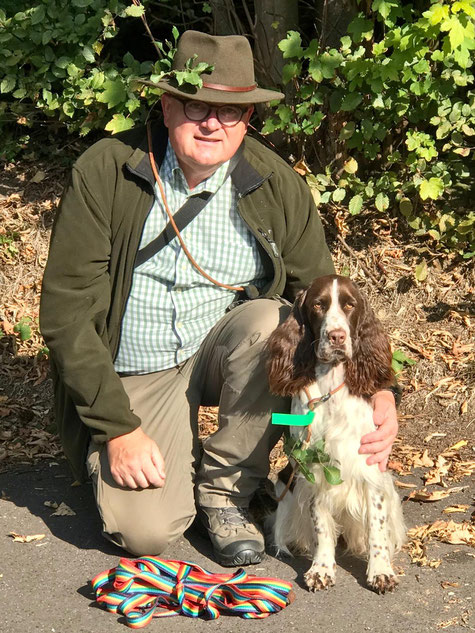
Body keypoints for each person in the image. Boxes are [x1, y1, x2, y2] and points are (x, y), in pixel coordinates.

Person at [40, 30, 399, 567]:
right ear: (166, 107)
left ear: (248, 120)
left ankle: (227, 489)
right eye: (196, 106)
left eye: (230, 112)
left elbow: (324, 302)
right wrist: (117, 429)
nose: (212, 122)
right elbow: (66, 315)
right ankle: (147, 457)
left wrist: (382, 392)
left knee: (277, 322)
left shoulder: (275, 184)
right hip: (136, 371)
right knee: (146, 533)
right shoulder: (107, 171)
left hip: (223, 353)